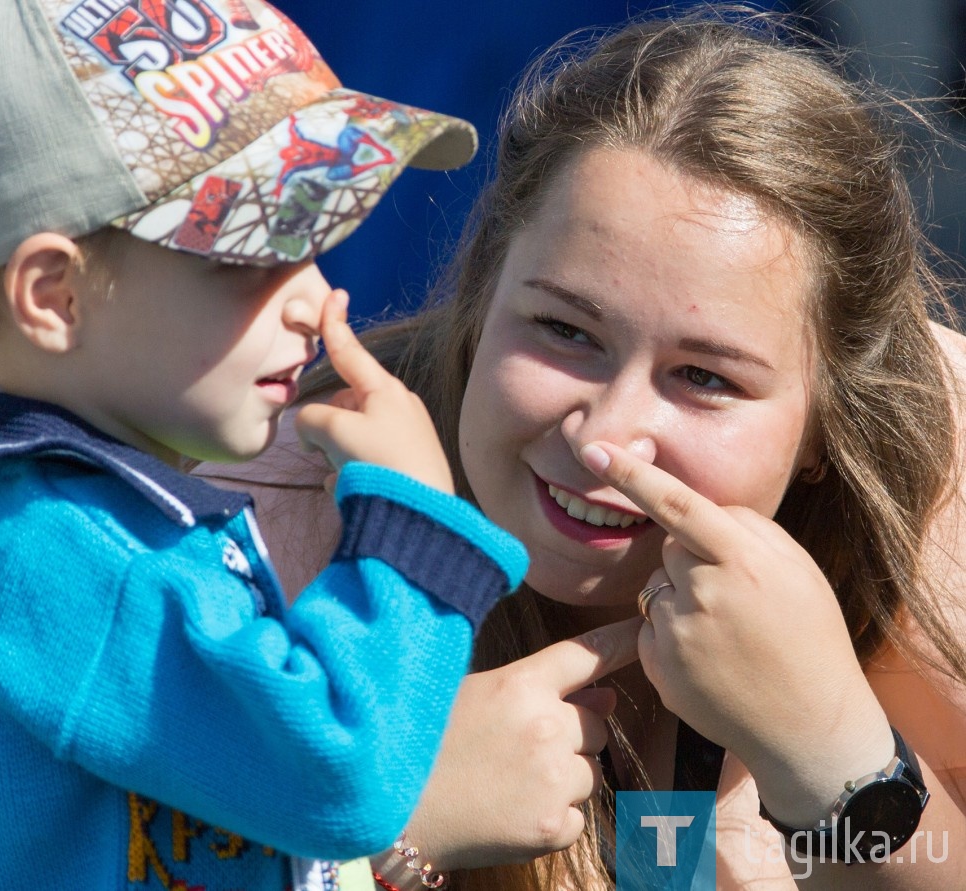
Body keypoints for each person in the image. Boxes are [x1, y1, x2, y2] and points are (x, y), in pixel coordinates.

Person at [196, 5, 966, 889]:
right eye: (564, 329)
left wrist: (835, 758)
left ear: (830, 422)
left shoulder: (931, 501)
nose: (603, 439)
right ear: (483, 294)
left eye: (705, 377)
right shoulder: (263, 537)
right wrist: (388, 833)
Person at [0, 1, 533, 889]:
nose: (314, 300)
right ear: (56, 297)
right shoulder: (60, 554)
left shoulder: (105, 524)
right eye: (248, 255)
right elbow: (339, 776)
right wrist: (413, 526)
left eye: (314, 246)